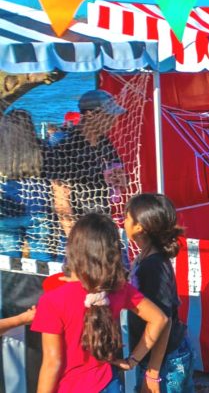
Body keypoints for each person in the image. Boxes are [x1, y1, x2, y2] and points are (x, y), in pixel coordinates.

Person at [31, 213, 169, 393]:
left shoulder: (53, 299)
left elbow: (52, 363)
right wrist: (132, 360)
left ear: (73, 249)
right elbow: (160, 319)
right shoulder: (120, 289)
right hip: (108, 384)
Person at [124, 194, 194, 392]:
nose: (124, 221)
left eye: (128, 217)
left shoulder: (154, 266)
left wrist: (153, 372)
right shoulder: (144, 256)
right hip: (157, 356)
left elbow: (164, 320)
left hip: (166, 361)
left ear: (140, 227)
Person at [46, 90, 128, 236]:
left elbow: (122, 182)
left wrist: (119, 180)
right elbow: (61, 199)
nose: (114, 120)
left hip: (103, 223)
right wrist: (73, 238)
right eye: (109, 116)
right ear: (90, 115)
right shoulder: (66, 146)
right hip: (78, 229)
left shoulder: (106, 144)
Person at [0, 110, 55, 261]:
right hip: (38, 208)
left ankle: (9, 285)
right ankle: (43, 284)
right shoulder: (43, 148)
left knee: (8, 261)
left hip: (8, 210)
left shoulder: (2, 151)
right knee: (42, 257)